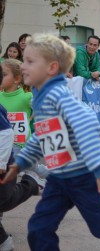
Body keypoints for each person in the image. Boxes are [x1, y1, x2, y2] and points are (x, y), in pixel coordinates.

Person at [0, 34, 100, 250]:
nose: (23, 67)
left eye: (30, 62)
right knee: (39, 229)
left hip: (82, 176)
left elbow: (91, 131)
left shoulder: (62, 99)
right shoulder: (39, 96)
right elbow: (41, 135)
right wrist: (20, 163)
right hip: (58, 178)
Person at [0, 63, 44, 251]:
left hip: (14, 149)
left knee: (6, 199)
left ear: (17, 79)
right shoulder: (1, 97)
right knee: (3, 200)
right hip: (9, 150)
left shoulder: (25, 96)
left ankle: (33, 181)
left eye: (6, 74)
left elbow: (6, 133)